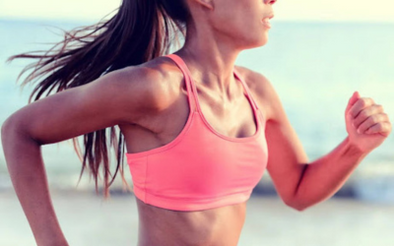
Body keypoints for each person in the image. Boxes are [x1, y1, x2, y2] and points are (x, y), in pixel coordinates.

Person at [1, 0, 392, 245]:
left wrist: (355, 146)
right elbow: (20, 130)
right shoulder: (156, 88)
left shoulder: (258, 92)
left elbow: (298, 191)